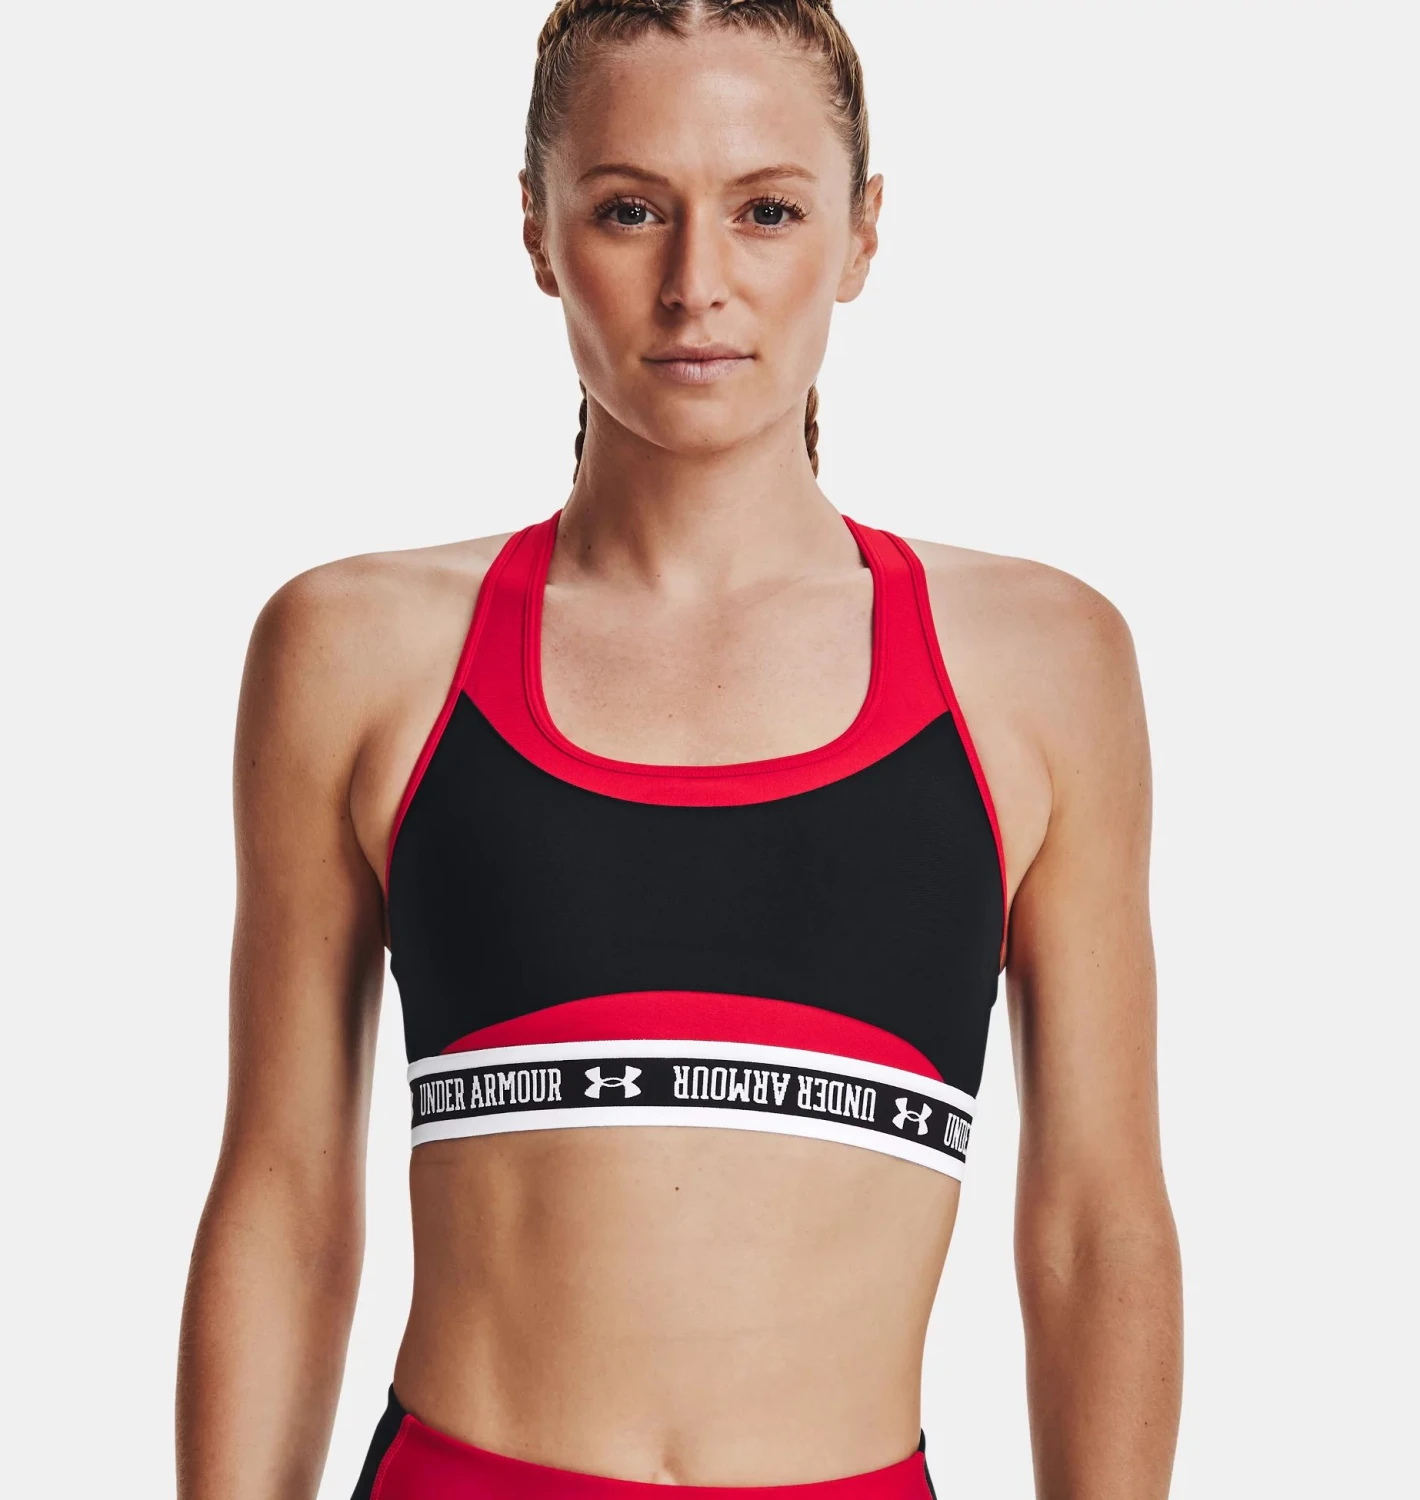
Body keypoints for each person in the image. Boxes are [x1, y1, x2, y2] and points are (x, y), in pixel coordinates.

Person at [175, 2, 1183, 1496]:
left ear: (862, 233)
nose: (696, 282)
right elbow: (285, 1199)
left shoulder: (1039, 665)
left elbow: (1096, 1225)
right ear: (537, 233)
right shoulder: (357, 651)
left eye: (767, 210)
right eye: (630, 210)